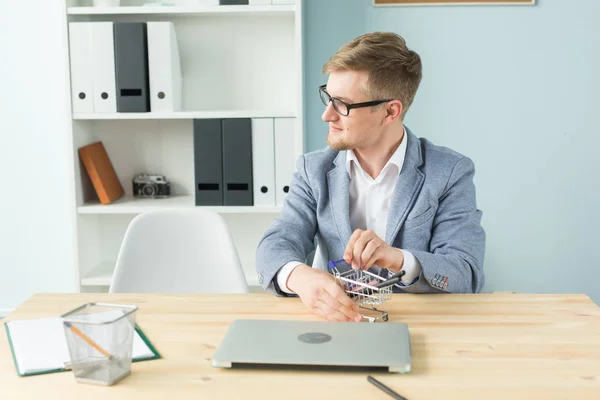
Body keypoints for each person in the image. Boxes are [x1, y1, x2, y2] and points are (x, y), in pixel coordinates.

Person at [255, 32, 486, 322]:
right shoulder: (314, 169)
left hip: (422, 326)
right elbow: (276, 243)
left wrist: (399, 259)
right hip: (336, 323)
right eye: (328, 97)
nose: (327, 115)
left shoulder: (449, 171)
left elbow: (467, 273)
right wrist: (300, 278)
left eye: (343, 104)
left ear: (390, 111)